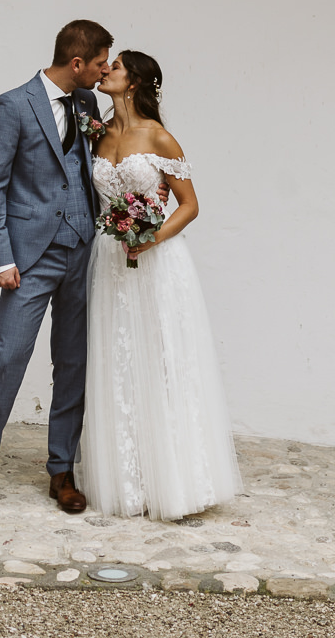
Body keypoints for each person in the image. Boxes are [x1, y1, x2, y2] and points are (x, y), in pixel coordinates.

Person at [0, 19, 112, 519]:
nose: (103, 72)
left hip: (82, 248)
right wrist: (1, 257)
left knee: (73, 363)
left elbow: (86, 170)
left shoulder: (87, 104)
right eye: (99, 63)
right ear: (77, 62)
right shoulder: (12, 105)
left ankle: (62, 470)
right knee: (7, 359)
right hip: (29, 257)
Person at [78, 50, 242, 519]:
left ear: (134, 83)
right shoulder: (99, 132)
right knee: (119, 361)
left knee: (164, 359)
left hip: (156, 261)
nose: (105, 70)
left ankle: (179, 481)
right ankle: (127, 480)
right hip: (110, 259)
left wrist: (149, 238)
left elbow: (189, 205)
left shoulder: (159, 137)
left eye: (116, 67)